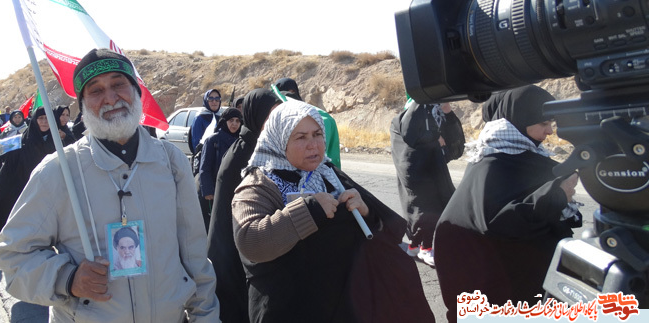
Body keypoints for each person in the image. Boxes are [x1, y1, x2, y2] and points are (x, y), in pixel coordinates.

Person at [0, 48, 219, 322]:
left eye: (118, 84)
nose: (110, 98)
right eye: (96, 90)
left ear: (136, 92)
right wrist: (68, 279)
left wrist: (206, 317)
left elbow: (195, 257)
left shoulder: (171, 162)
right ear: (83, 105)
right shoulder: (60, 171)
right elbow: (13, 256)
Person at [232, 100, 433, 323]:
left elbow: (389, 230)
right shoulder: (259, 184)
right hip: (289, 311)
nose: (313, 145)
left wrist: (365, 211)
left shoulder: (329, 173)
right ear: (280, 140)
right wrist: (309, 210)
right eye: (301, 137)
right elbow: (250, 241)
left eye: (317, 134)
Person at [434, 85, 582, 319]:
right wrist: (557, 196)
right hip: (501, 287)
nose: (549, 131)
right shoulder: (494, 162)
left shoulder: (518, 155)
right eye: (544, 123)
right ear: (520, 121)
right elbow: (498, 221)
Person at [206, 89, 279, 323]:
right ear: (256, 116)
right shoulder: (244, 154)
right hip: (232, 245)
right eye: (269, 116)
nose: (274, 122)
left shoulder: (261, 147)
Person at [390, 100, 465, 267]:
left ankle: (415, 246)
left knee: (432, 202)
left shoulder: (434, 114)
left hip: (430, 165)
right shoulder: (409, 116)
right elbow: (410, 134)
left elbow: (456, 143)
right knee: (423, 204)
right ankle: (426, 247)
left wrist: (447, 110)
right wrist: (434, 136)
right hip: (414, 166)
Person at [0, 107, 57, 246]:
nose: (44, 122)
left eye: (47, 118)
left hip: (44, 190)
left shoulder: (56, 140)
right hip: (19, 187)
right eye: (41, 118)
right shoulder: (20, 140)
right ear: (34, 120)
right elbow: (1, 154)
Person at [273, 77, 342, 169]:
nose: (289, 96)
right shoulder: (321, 116)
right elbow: (333, 157)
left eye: (292, 92)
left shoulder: (281, 116)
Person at [197, 107, 242, 230]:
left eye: (237, 121)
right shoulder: (213, 140)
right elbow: (205, 167)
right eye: (231, 120)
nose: (234, 124)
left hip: (235, 190)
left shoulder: (241, 142)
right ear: (224, 121)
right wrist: (208, 190)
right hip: (216, 190)